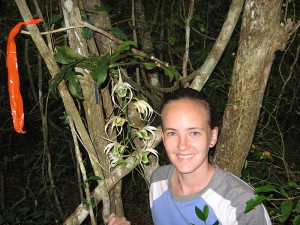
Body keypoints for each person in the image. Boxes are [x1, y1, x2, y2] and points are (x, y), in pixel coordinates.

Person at [109, 88, 272, 225]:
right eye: (172, 133)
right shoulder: (158, 181)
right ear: (163, 137)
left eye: (194, 133)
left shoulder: (243, 205)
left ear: (213, 137)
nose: (182, 145)